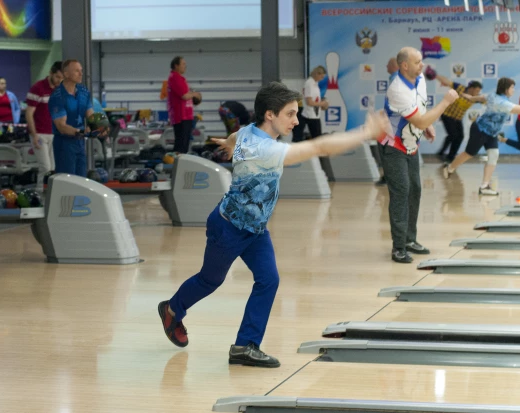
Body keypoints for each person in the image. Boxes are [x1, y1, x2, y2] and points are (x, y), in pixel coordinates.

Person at [157, 81, 389, 368]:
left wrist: (231, 143)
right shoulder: (265, 148)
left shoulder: (248, 132)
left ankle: (245, 346)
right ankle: (171, 309)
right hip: (228, 226)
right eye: (290, 114)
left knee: (268, 280)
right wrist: (366, 133)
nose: (296, 120)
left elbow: (237, 134)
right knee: (210, 280)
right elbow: (319, 146)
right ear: (270, 115)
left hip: (254, 229)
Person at [378, 47, 459, 264]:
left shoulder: (420, 77)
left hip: (411, 144)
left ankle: (409, 240)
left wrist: (426, 126)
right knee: (401, 192)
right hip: (393, 146)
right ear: (405, 66)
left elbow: (420, 111)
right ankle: (398, 248)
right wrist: (444, 103)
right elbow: (420, 119)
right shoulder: (397, 89)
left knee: (415, 190)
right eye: (417, 62)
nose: (422, 65)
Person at [442, 77, 520, 195]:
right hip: (480, 129)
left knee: (494, 155)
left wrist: (468, 96)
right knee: (469, 154)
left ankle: (484, 187)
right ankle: (450, 168)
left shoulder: (493, 96)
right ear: (506, 89)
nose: (514, 90)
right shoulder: (503, 104)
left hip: (492, 132)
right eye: (512, 88)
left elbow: (479, 98)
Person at [48, 59, 95, 177]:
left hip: (80, 142)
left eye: (81, 71)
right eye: (76, 71)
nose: (81, 74)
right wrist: (81, 131)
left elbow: (90, 114)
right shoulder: (57, 96)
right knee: (68, 182)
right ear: (66, 74)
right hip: (64, 144)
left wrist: (97, 126)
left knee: (81, 180)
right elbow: (61, 126)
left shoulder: (83, 91)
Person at [428, 70, 484, 164]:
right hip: (447, 115)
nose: (478, 92)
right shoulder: (460, 88)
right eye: (477, 90)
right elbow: (446, 81)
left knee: (460, 136)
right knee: (453, 135)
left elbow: (487, 101)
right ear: (472, 88)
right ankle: (441, 153)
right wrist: (436, 75)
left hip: (458, 118)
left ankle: (451, 157)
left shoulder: (475, 98)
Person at [25, 61, 64, 192]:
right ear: (51, 73)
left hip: (54, 133)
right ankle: (40, 194)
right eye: (58, 77)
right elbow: (29, 113)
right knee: (45, 167)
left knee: (53, 169)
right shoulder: (38, 88)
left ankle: (51, 196)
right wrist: (34, 134)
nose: (60, 80)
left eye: (62, 78)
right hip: (40, 134)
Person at [374, 58, 401, 187]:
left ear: (394, 66)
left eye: (388, 64)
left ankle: (389, 176)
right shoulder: (397, 78)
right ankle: (389, 176)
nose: (386, 66)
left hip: (393, 122)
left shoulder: (396, 79)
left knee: (386, 147)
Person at [167, 56, 201, 154]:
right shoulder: (175, 77)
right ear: (176, 66)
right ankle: (177, 165)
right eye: (183, 64)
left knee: (183, 143)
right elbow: (185, 96)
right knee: (181, 145)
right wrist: (195, 94)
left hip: (185, 115)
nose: (185, 66)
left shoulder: (180, 78)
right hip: (181, 116)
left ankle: (178, 163)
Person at [298, 66, 329, 140]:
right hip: (310, 115)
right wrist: (322, 104)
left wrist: (322, 103)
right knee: (317, 138)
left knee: (317, 138)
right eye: (321, 77)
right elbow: (309, 102)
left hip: (315, 114)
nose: (322, 79)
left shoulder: (315, 83)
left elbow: (315, 100)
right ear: (317, 74)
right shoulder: (309, 83)